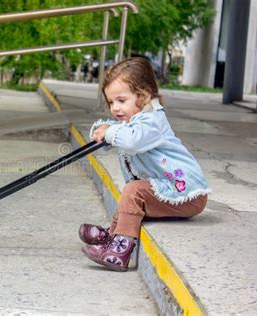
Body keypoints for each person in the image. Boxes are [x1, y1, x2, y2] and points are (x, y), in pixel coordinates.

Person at [79, 58, 210, 272]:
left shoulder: (153, 121)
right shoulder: (136, 120)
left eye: (121, 100)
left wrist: (110, 133)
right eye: (111, 103)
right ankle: (110, 237)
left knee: (133, 192)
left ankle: (119, 252)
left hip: (188, 193)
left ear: (144, 94)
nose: (115, 108)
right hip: (169, 188)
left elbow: (131, 140)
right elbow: (120, 135)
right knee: (130, 199)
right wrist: (103, 131)